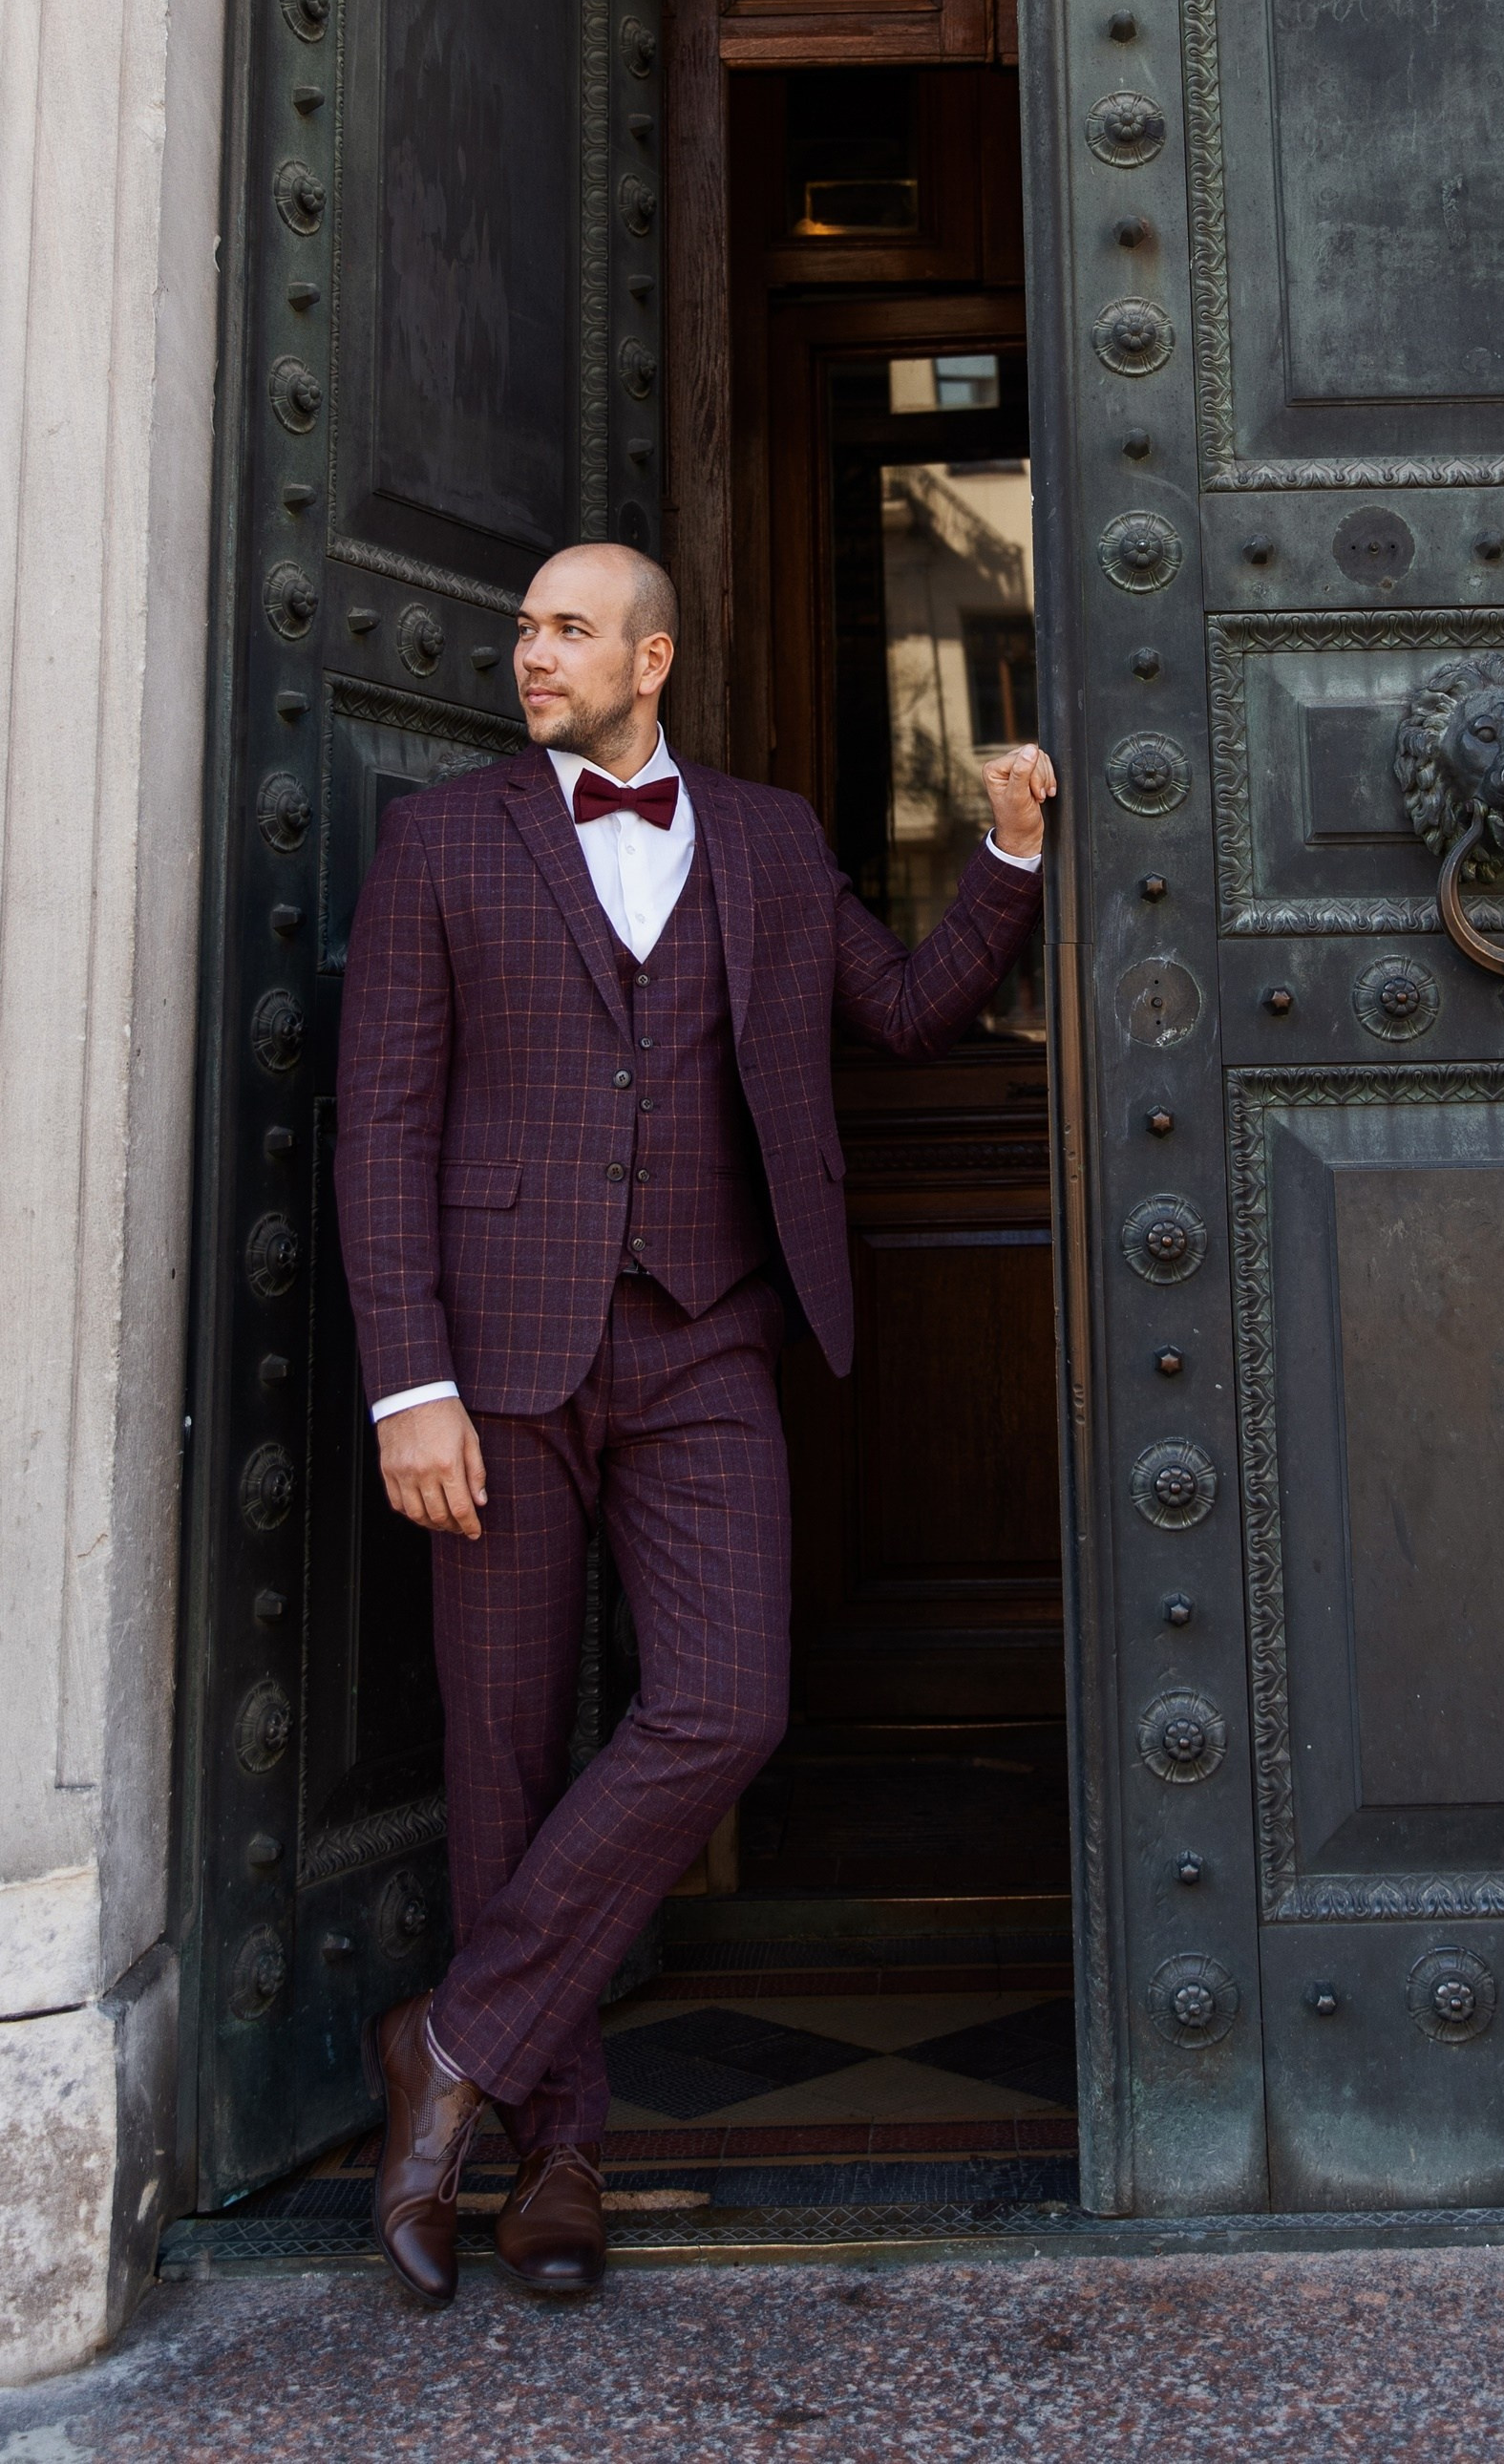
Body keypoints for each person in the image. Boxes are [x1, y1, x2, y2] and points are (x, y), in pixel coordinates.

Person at [334, 541, 1052, 2304]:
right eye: (522, 630)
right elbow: (382, 1124)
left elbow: (899, 1013)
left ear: (653, 657)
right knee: (503, 1755)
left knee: (728, 1698)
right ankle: (553, 2150)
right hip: (495, 1366)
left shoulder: (771, 834)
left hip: (708, 1335)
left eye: (565, 630)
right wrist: (408, 1384)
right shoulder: (444, 840)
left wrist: (1013, 854)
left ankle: (452, 2038)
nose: (529, 655)